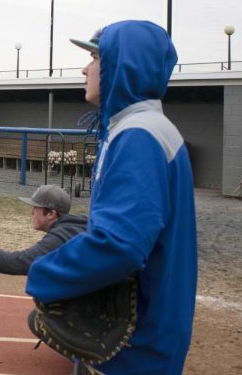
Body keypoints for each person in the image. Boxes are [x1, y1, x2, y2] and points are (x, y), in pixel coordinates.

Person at [26, 20, 197, 374]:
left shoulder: (139, 135)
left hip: (135, 344)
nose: (85, 68)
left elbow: (120, 245)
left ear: (123, 65)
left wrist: (45, 275)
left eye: (94, 57)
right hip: (143, 335)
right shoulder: (137, 127)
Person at [0, 185, 86, 275]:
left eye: (36, 208)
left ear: (51, 214)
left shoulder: (59, 238)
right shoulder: (78, 226)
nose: (32, 213)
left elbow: (18, 262)